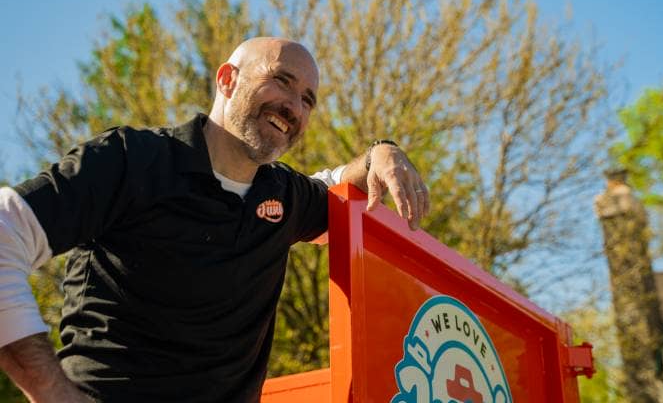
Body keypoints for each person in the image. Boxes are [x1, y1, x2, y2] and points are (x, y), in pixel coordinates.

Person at [0, 37, 429, 402]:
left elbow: (336, 183)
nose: (295, 107)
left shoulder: (281, 196)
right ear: (227, 79)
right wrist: (53, 391)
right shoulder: (131, 161)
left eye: (308, 100)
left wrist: (382, 151)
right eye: (282, 80)